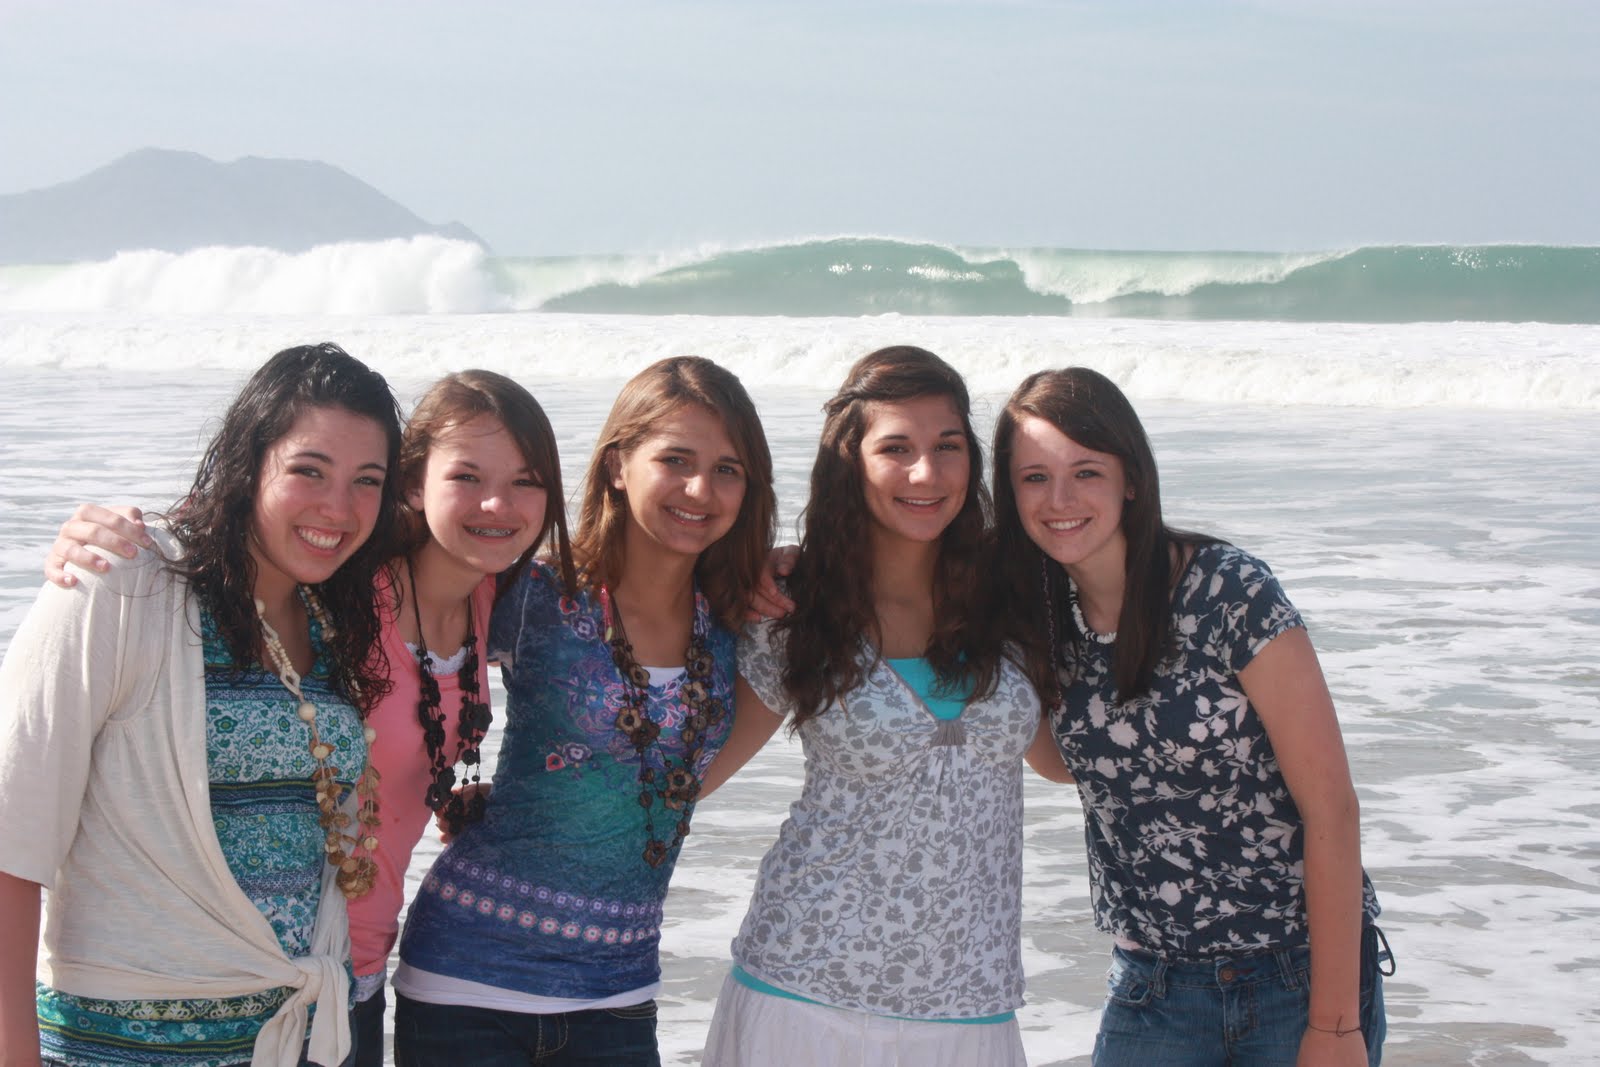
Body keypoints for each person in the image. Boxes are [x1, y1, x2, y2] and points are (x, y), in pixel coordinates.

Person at [39, 370, 576, 1067]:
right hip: (248, 974)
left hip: (360, 973)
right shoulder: (346, 587)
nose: (497, 502)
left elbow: (627, 623)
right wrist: (110, 537)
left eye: (527, 481)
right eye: (466, 476)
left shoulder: (497, 601)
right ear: (413, 483)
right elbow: (249, 540)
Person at [0, 343, 405, 1067]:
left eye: (366, 481)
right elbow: (11, 838)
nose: (339, 507)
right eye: (309, 470)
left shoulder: (330, 620)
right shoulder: (125, 582)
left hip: (293, 1041)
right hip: (116, 1049)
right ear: (249, 463)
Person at [991, 367, 1389, 1066]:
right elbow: (1062, 762)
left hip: (1295, 974)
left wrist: (1334, 1025)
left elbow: (1332, 806)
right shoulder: (1041, 618)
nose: (1059, 500)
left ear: (1131, 479)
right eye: (1034, 478)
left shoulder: (1228, 591)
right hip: (1154, 985)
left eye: (1086, 472)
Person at [391, 356, 776, 1066]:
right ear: (617, 465)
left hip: (618, 992)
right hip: (467, 980)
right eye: (676, 459)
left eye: (728, 469)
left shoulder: (735, 623)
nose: (701, 489)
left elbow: (674, 781)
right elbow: (408, 630)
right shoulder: (536, 592)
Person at [697, 346, 1058, 1066]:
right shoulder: (793, 608)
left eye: (947, 446)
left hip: (971, 1003)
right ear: (850, 462)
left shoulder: (1013, 599)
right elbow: (692, 773)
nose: (926, 473)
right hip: (805, 995)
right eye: (896, 448)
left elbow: (1069, 762)